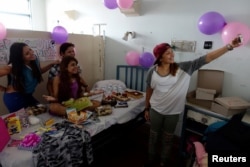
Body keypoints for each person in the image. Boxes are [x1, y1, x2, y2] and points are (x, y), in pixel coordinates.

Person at [144, 36, 241, 167]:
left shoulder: (184, 68)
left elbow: (208, 58)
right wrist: (146, 108)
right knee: (153, 137)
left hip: (173, 113)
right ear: (160, 57)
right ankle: (150, 161)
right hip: (155, 110)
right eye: (167, 53)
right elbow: (149, 90)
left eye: (172, 51)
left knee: (168, 139)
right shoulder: (152, 71)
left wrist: (229, 47)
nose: (172, 54)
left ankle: (163, 162)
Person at [0, 42, 59, 113]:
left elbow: (38, 72)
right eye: (27, 53)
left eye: (30, 49)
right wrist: (3, 89)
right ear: (20, 58)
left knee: (42, 111)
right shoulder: (13, 67)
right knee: (23, 121)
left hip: (27, 95)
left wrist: (51, 64)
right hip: (15, 98)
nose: (31, 53)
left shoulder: (34, 59)